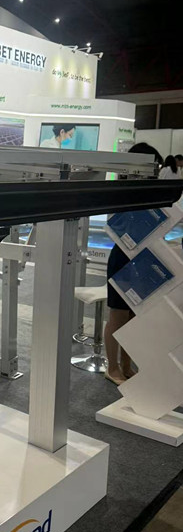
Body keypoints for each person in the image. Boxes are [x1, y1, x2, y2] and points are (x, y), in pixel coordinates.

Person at [104, 142, 163, 385]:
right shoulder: (123, 190)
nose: (156, 172)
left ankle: (127, 366)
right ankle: (112, 367)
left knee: (133, 316)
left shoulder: (145, 191)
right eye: (153, 167)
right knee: (118, 315)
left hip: (141, 257)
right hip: (122, 257)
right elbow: (117, 226)